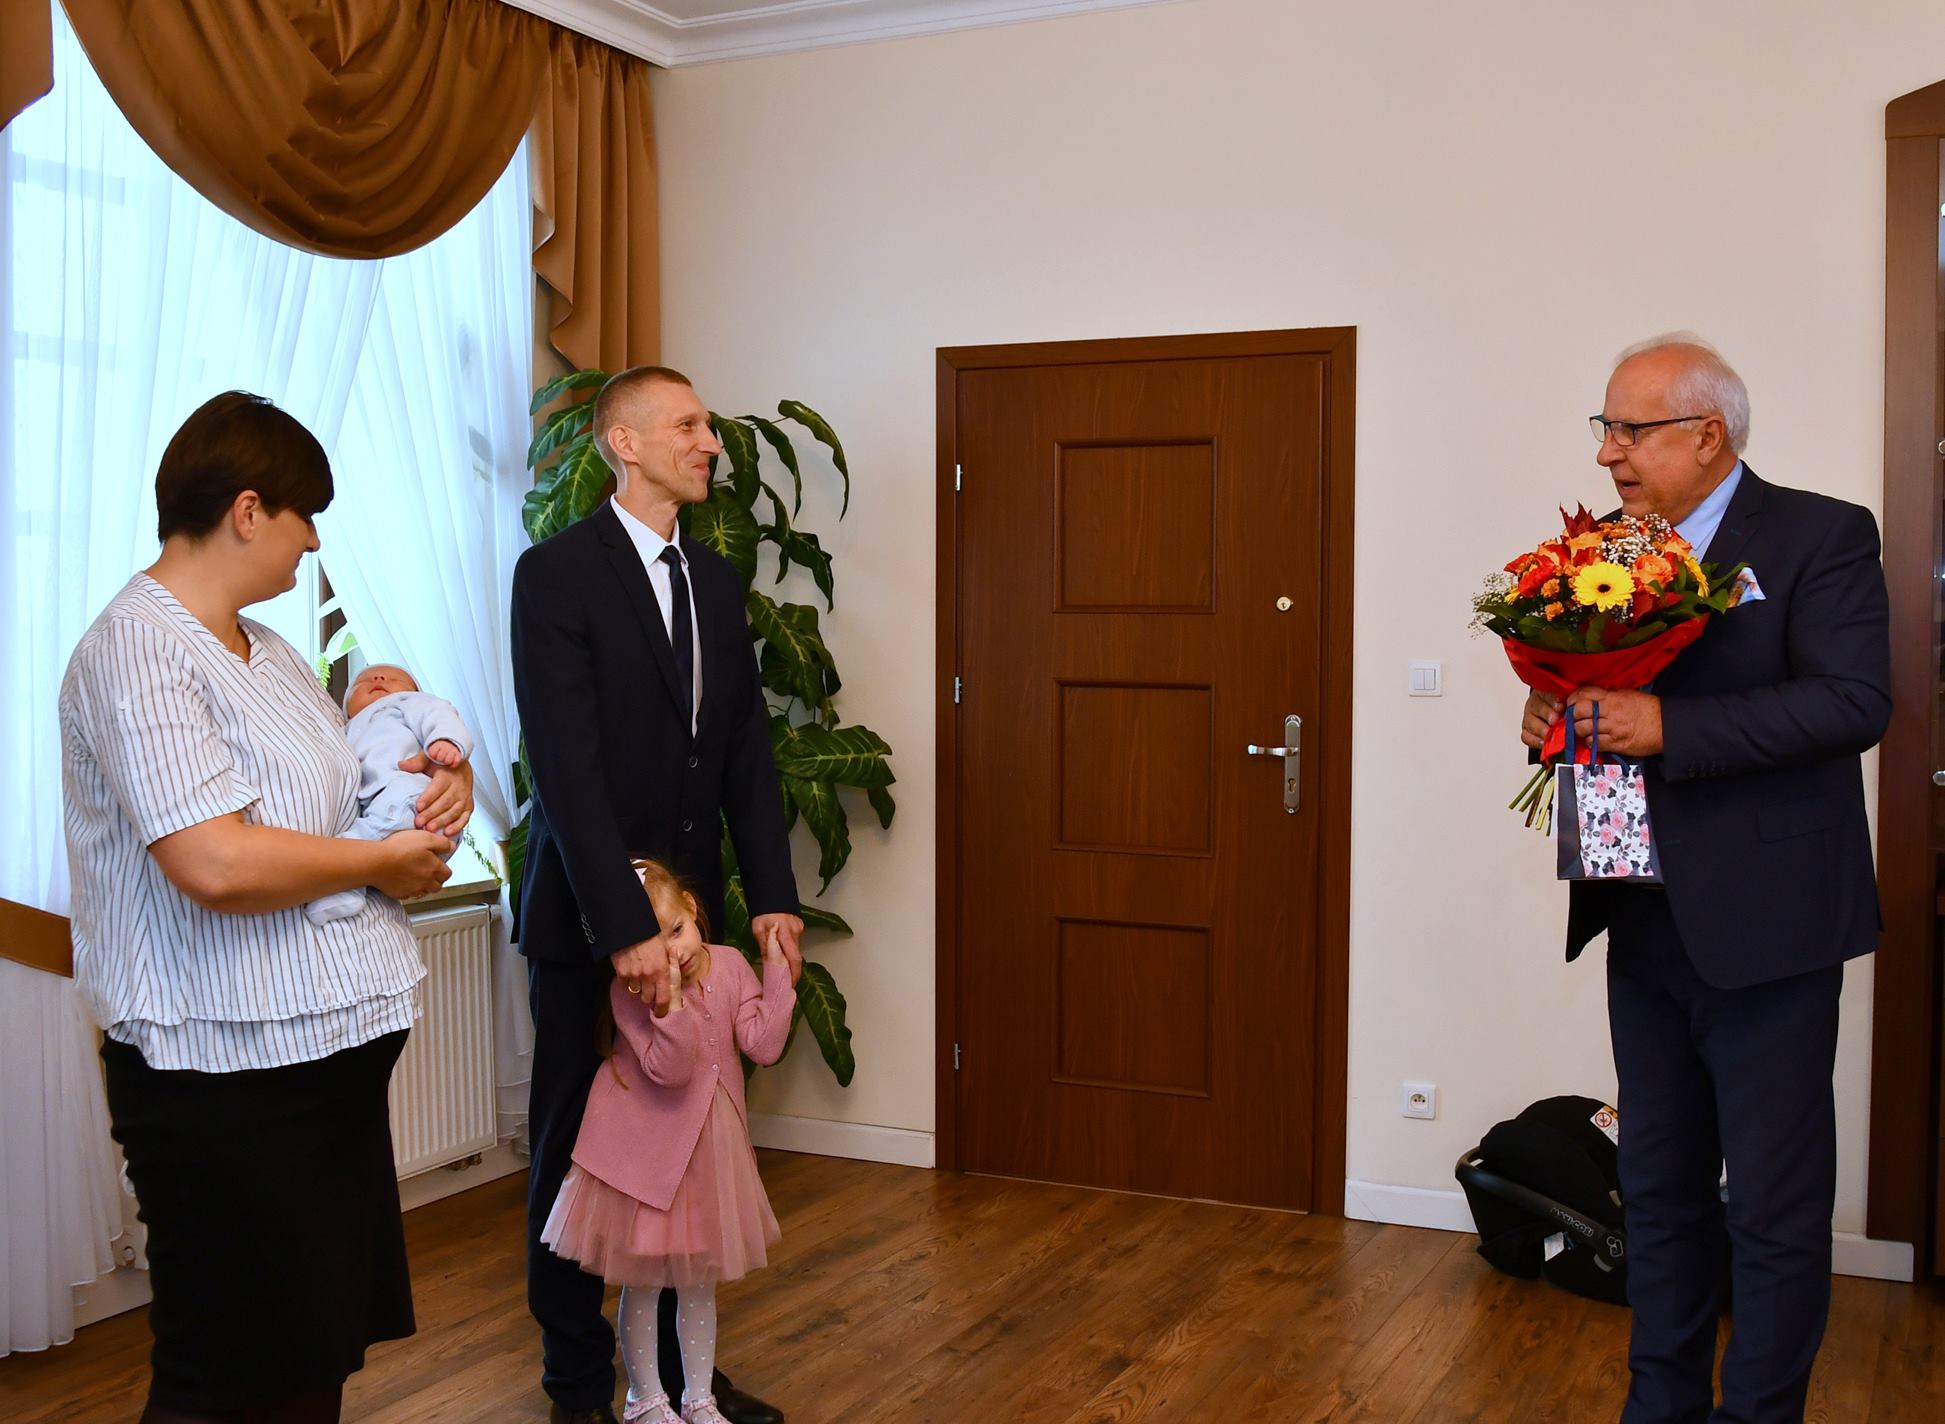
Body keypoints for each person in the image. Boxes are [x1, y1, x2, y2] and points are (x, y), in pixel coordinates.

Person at [58, 391, 473, 1424]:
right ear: (248, 510)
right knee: (226, 1373)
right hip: (221, 1079)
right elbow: (214, 859)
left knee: (307, 1355)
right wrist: (378, 861)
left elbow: (336, 792)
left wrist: (435, 777)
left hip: (322, 1060)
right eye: (305, 516)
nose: (314, 541)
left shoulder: (275, 653)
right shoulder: (137, 650)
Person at [1521, 336, 1891, 1423]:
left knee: (1771, 1208)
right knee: (1660, 1192)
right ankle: (1661, 1407)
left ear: (1706, 434)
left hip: (1769, 929)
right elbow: (1594, 692)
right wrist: (1553, 715)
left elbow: (1852, 703)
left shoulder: (1821, 534)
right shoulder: (1605, 549)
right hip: (1636, 914)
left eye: (1628, 431)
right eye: (1603, 430)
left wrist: (1665, 726)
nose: (1608, 454)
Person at [512, 365, 804, 1424]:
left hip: (693, 927)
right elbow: (566, 768)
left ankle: (680, 1378)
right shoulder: (554, 575)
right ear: (622, 443)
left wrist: (770, 894)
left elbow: (744, 751)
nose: (710, 442)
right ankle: (577, 1382)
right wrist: (624, 925)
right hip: (586, 926)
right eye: (687, 424)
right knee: (573, 1149)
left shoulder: (715, 582)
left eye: (709, 427)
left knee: (687, 1151)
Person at [541, 859, 794, 1424]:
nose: (673, 953)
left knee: (699, 1285)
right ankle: (645, 1399)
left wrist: (776, 969)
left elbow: (763, 1044)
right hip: (649, 1161)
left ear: (693, 910)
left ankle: (698, 1398)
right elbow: (671, 1070)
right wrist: (669, 1004)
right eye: (655, 943)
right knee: (646, 1284)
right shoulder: (632, 991)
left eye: (677, 931)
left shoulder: (730, 965)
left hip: (708, 1154)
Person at [307, 662, 473, 924]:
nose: (379, 678)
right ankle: (352, 890)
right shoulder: (344, 732)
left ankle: (338, 886)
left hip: (414, 797)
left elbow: (440, 714)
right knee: (372, 835)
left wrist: (445, 741)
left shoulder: (405, 704)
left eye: (396, 679)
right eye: (363, 681)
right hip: (385, 807)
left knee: (356, 842)